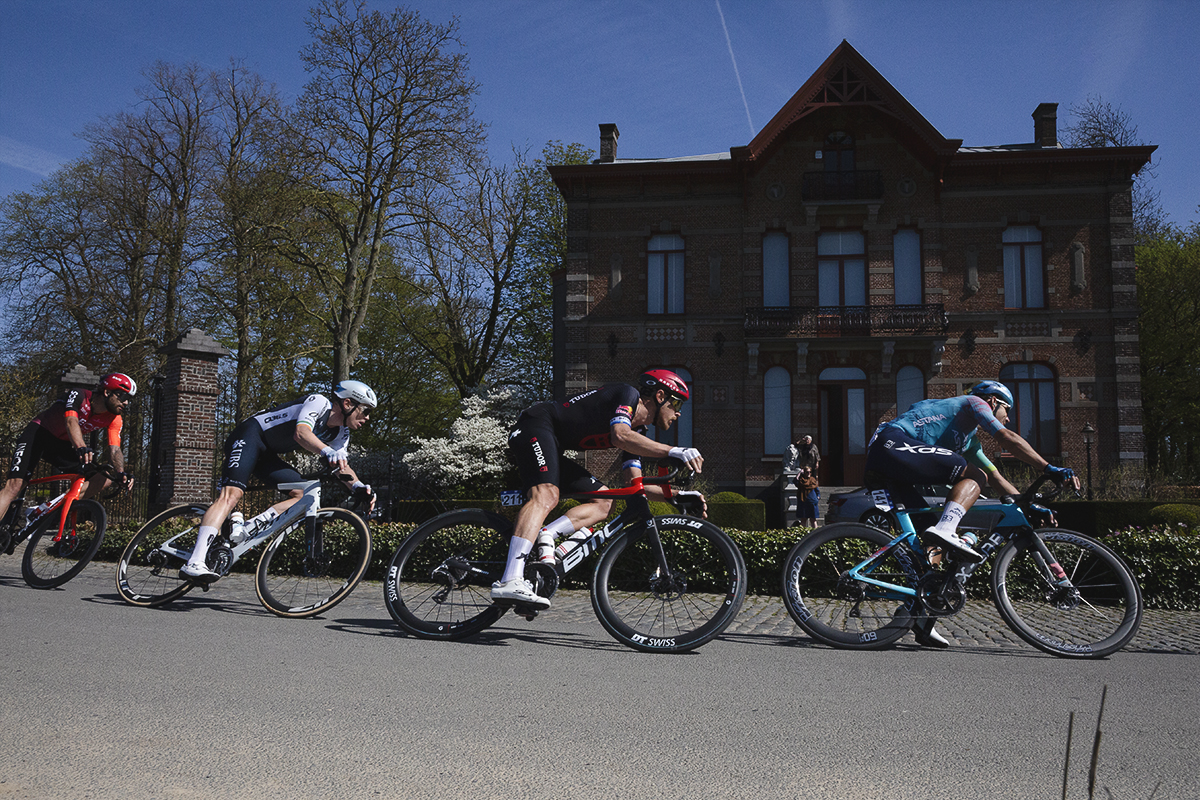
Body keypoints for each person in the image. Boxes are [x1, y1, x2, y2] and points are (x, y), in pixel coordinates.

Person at [864, 380, 1079, 648]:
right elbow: (1006, 438)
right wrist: (1049, 468)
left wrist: (1027, 504)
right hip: (892, 444)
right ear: (992, 401)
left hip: (892, 465)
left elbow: (995, 477)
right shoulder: (973, 403)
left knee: (932, 548)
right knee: (971, 478)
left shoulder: (968, 441)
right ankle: (945, 529)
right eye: (1006, 409)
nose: (1008, 416)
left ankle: (917, 615)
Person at [499, 370, 707, 609]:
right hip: (535, 425)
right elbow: (619, 435)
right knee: (546, 494)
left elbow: (635, 484)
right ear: (660, 396)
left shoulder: (638, 432)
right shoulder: (627, 395)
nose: (679, 412)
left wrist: (676, 496)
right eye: (676, 403)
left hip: (552, 444)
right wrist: (673, 450)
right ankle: (510, 579)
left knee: (604, 502)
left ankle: (548, 536)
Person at [179, 380, 378, 582]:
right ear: (347, 404)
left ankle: (248, 527)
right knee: (232, 495)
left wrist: (358, 487)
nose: (368, 417)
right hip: (249, 436)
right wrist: (326, 451)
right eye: (365, 410)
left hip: (267, 455)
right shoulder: (319, 403)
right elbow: (301, 433)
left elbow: (340, 465)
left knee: (302, 494)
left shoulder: (341, 433)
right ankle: (194, 562)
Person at [0, 372, 136, 551]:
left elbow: (115, 449)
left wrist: (121, 472)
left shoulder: (115, 418)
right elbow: (71, 421)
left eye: (129, 399)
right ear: (107, 392)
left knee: (104, 479)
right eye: (123, 397)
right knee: (15, 486)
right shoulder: (79, 395)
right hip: (39, 434)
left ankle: (43, 510)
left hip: (62, 446)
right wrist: (80, 446)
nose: (126, 403)